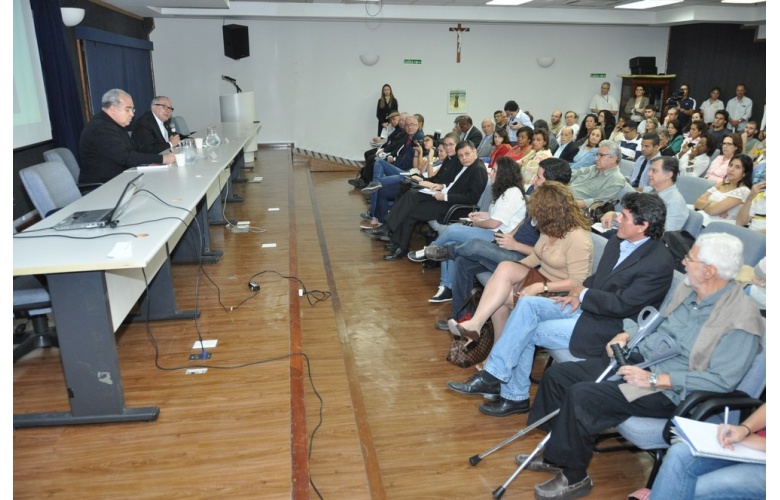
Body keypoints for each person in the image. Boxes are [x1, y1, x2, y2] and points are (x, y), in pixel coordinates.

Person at [522, 232, 762, 500]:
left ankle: (574, 478)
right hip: (642, 362)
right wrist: (628, 333)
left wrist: (654, 380)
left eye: (690, 258)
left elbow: (720, 381)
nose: (683, 262)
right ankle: (558, 450)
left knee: (584, 396)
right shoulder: (688, 289)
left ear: (709, 271)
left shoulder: (741, 319)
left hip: (670, 390)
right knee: (558, 376)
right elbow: (654, 324)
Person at [447, 192, 676, 416]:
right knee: (526, 306)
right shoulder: (619, 242)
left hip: (609, 327)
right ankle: (501, 383)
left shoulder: (657, 263)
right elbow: (598, 279)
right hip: (586, 308)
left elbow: (623, 305)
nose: (617, 218)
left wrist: (582, 293)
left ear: (642, 225)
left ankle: (506, 389)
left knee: (524, 327)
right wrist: (577, 295)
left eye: (624, 216)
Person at [430, 158, 572, 331]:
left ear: (552, 182)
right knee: (463, 262)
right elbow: (524, 223)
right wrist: (510, 236)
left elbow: (544, 254)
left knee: (474, 245)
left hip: (524, 259)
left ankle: (446, 251)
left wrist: (515, 245)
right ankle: (462, 318)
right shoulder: (539, 197)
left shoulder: (559, 212)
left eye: (539, 177)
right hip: (511, 247)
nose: (534, 180)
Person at [445, 181, 592, 347]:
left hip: (560, 292)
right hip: (540, 278)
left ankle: (484, 334)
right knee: (503, 274)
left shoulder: (578, 238)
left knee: (498, 299)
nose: (535, 219)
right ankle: (483, 333)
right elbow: (537, 256)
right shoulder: (551, 227)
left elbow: (577, 282)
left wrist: (539, 287)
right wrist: (510, 271)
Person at [407, 156, 527, 303]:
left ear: (504, 174)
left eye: (494, 170)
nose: (491, 173)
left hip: (497, 237)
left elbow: (494, 223)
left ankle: (428, 251)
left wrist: (476, 223)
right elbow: (498, 216)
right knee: (450, 240)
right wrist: (481, 214)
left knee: (451, 230)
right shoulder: (505, 191)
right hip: (494, 232)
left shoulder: (512, 193)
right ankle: (446, 287)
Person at [381, 140, 488, 260]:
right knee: (412, 195)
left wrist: (445, 196)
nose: (464, 158)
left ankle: (400, 245)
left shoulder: (477, 170)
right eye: (461, 156)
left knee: (411, 212)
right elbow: (455, 185)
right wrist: (442, 187)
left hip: (455, 207)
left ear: (475, 152)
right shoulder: (468, 166)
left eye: (467, 154)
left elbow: (472, 198)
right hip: (447, 198)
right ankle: (397, 241)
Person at [647, 403, 766, 500]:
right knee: (680, 452)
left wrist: (757, 441)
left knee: (688, 488)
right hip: (757, 447)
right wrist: (744, 429)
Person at [79, 89, 175, 184]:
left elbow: (134, 149)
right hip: (103, 186)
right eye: (127, 109)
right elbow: (126, 157)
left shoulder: (114, 124)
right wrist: (162, 158)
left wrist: (154, 160)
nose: (132, 114)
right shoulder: (101, 128)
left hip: (121, 177)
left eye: (132, 110)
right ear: (113, 109)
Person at [603, 156, 687, 232]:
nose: (649, 174)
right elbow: (633, 216)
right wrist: (614, 215)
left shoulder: (675, 203)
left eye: (654, 171)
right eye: (649, 170)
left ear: (668, 175)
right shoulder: (649, 191)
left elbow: (665, 235)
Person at [362, 114, 424, 194]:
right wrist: (393, 158)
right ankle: (372, 184)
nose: (409, 127)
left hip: (406, 171)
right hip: (400, 165)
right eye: (407, 125)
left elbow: (408, 161)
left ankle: (373, 183)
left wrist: (394, 163)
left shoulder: (418, 137)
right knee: (377, 163)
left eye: (412, 124)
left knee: (379, 166)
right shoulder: (408, 137)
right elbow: (400, 152)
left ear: (418, 125)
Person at [569, 140, 627, 209]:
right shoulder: (593, 168)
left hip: (573, 207)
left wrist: (568, 203)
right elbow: (572, 175)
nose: (596, 158)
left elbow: (599, 202)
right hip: (563, 195)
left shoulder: (616, 179)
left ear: (613, 159)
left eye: (601, 155)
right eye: (597, 155)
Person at [696, 154, 753, 220]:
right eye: (730, 165)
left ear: (745, 173)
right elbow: (697, 202)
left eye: (737, 167)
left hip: (717, 225)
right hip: (702, 216)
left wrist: (707, 206)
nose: (731, 169)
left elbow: (713, 211)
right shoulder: (722, 183)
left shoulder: (744, 191)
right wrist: (711, 203)